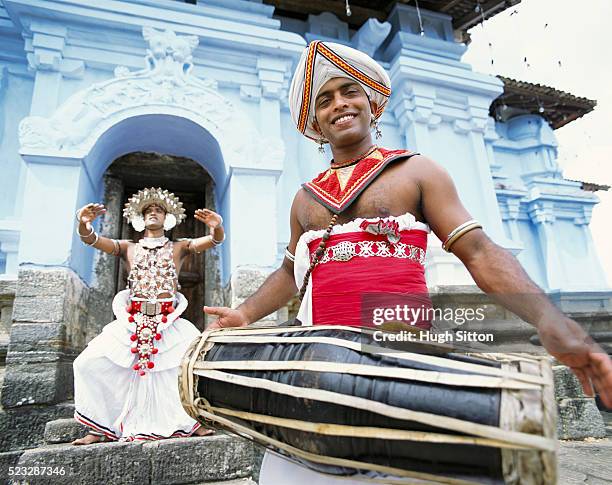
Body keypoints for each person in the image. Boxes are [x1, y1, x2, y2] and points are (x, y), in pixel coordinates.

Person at [203, 41, 612, 483]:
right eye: (324, 101)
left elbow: (477, 251)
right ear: (315, 124)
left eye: (349, 91)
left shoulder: (418, 172)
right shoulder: (305, 199)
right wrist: (243, 314)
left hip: (401, 364)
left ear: (373, 102)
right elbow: (289, 272)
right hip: (317, 369)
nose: (339, 104)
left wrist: (548, 318)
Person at [72, 187, 224, 444]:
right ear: (141, 218)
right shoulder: (127, 247)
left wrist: (216, 227)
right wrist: (84, 224)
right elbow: (94, 240)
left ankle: (192, 422)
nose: (153, 213)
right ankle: (99, 428)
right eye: (148, 210)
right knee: (88, 363)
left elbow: (213, 241)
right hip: (132, 321)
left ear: (168, 218)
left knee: (188, 368)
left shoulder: (180, 247)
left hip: (169, 322)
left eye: (159, 210)